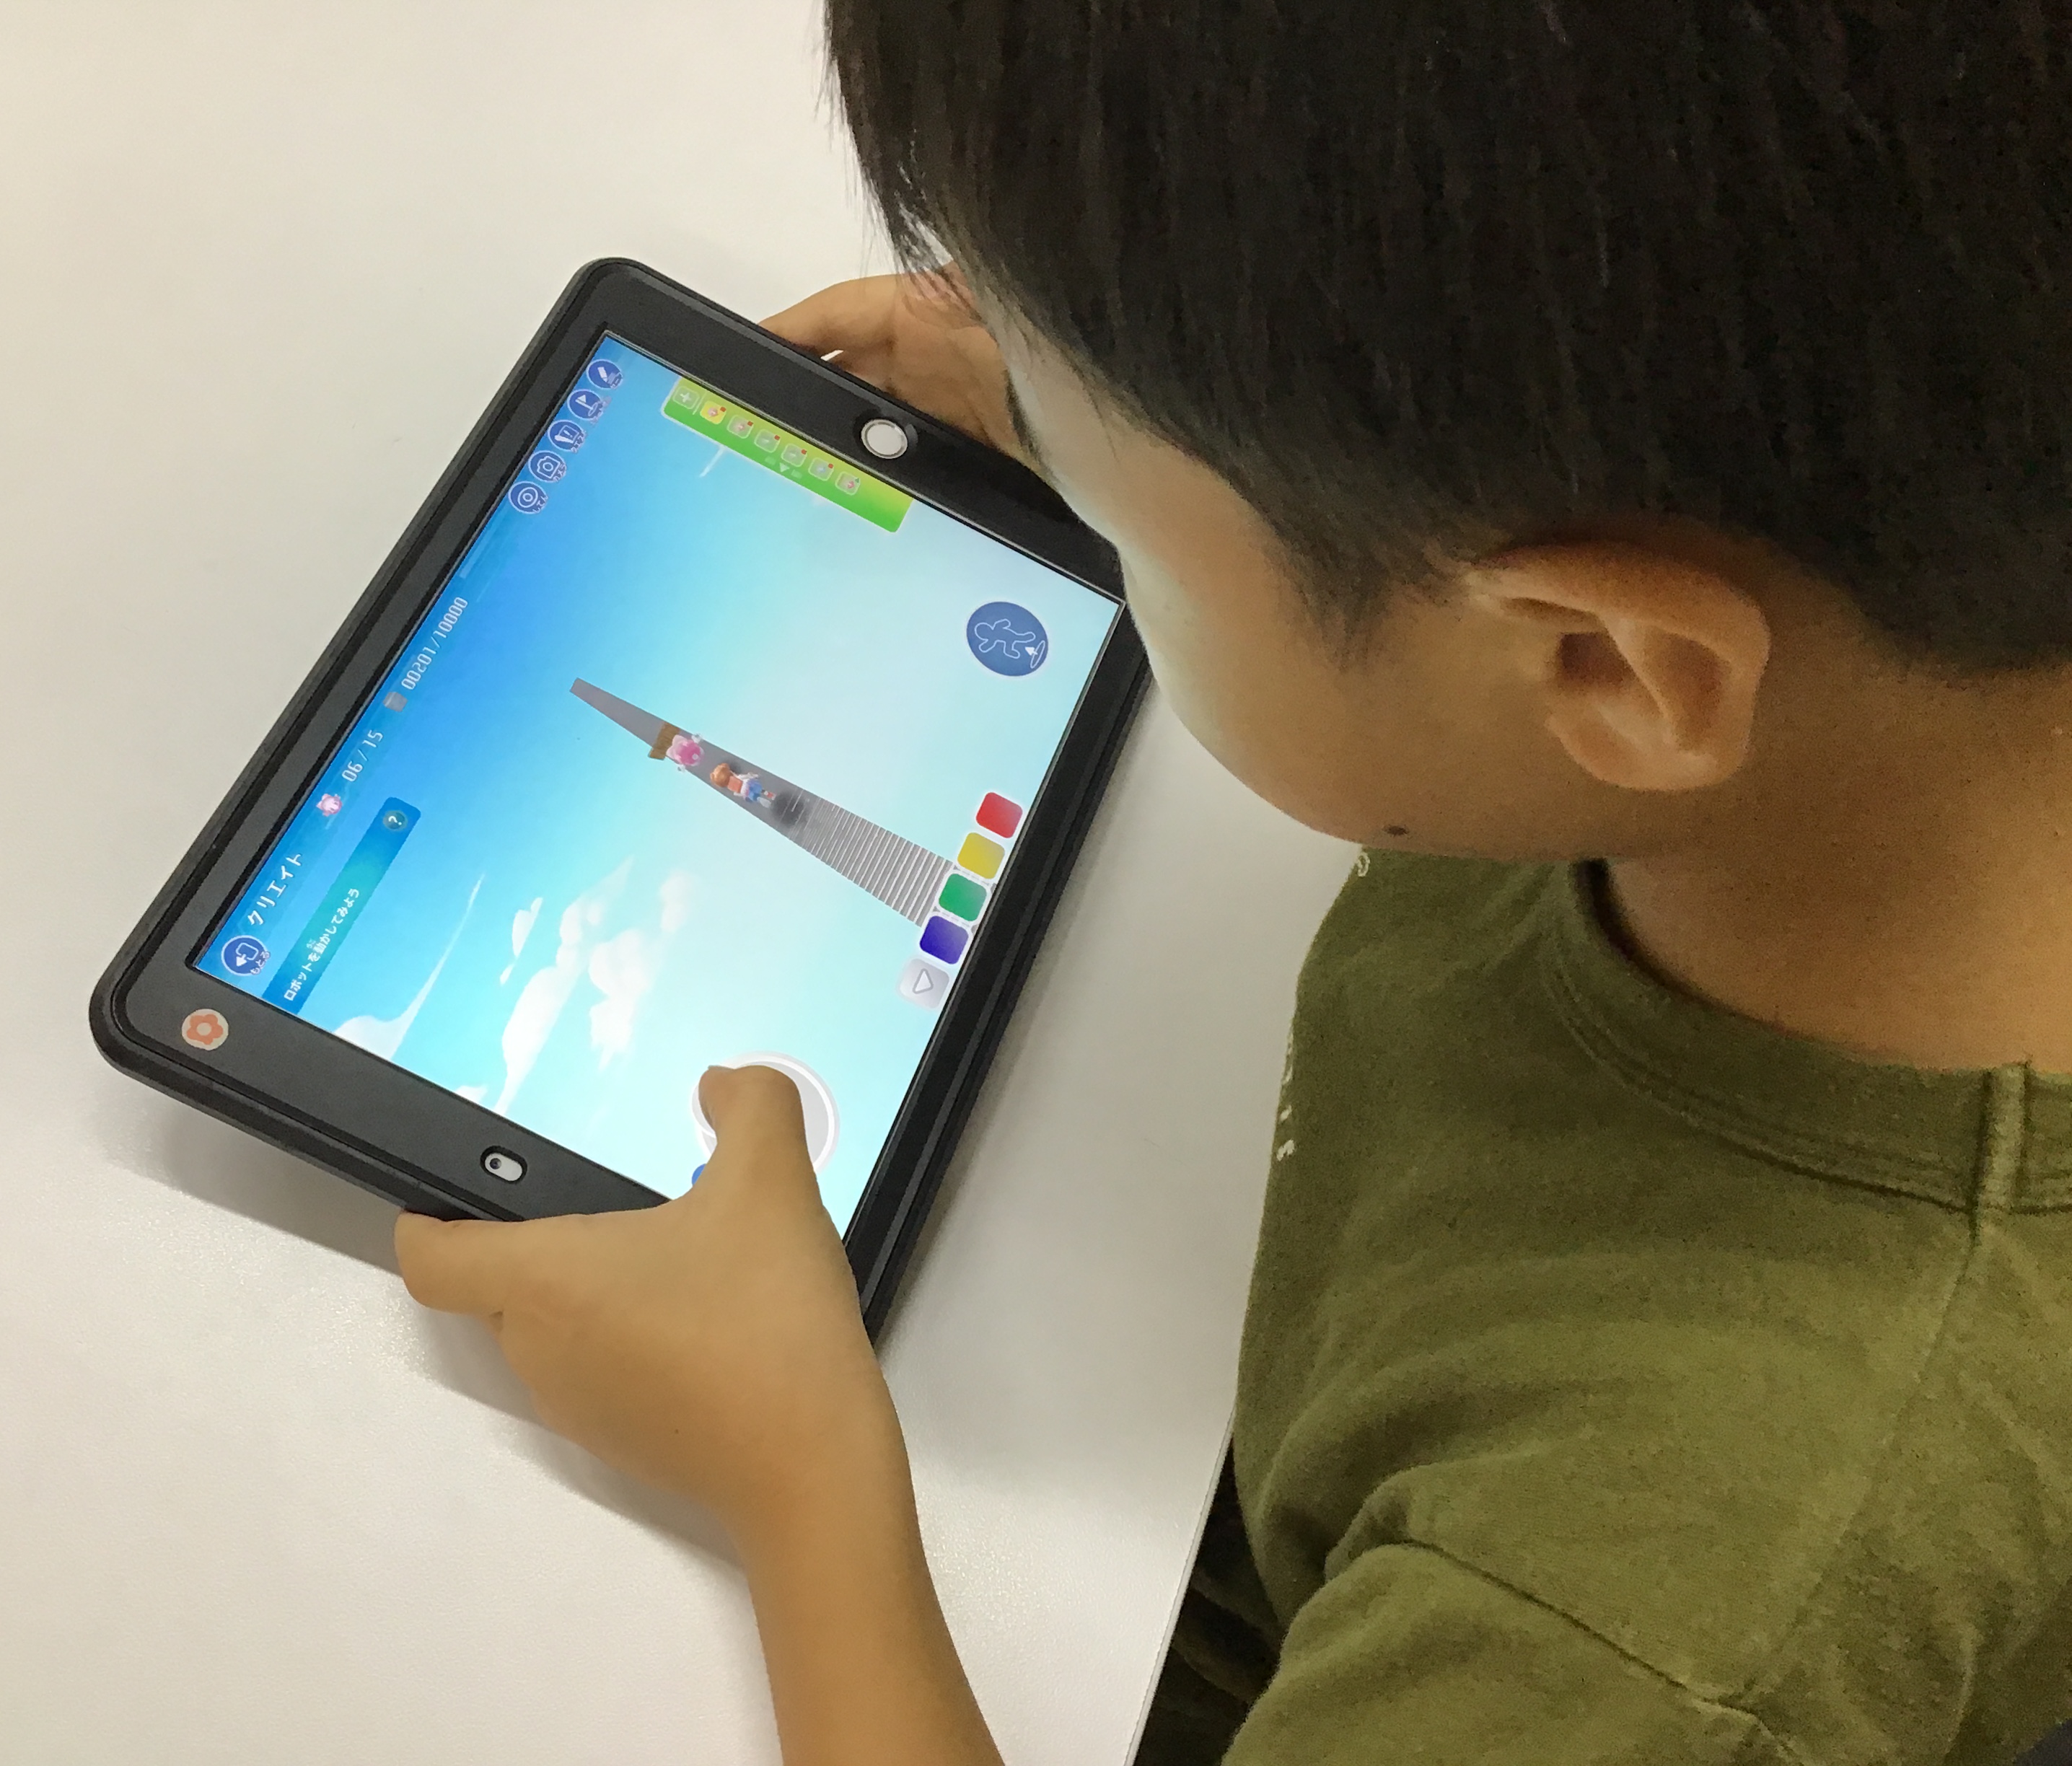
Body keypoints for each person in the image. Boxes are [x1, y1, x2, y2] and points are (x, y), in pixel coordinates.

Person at [396, 4, 2072, 1762]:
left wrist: (797, 1481)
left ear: (1603, 670)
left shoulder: (1642, 1625)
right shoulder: (1890, 681)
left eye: (1125, 530)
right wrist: (1132, 416)